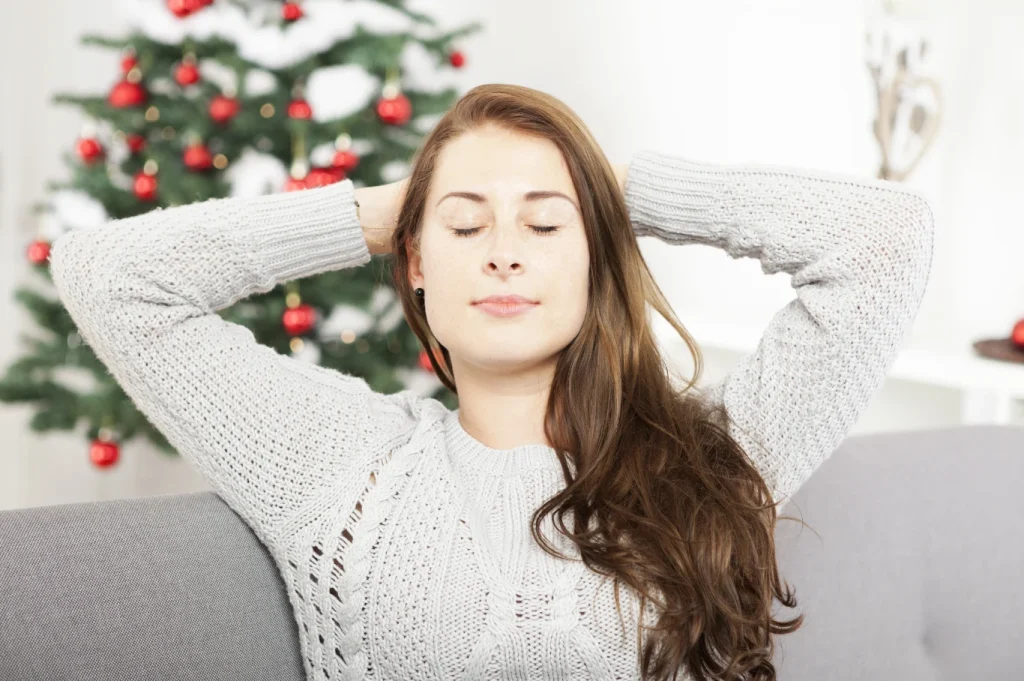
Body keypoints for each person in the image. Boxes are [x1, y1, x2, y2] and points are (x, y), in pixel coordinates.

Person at [48, 83, 934, 681]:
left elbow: (884, 242)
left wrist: (618, 188)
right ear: (417, 263)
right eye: (466, 227)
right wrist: (377, 211)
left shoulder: (713, 455)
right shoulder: (339, 467)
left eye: (546, 225)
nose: (504, 250)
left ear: (596, 259)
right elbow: (108, 277)